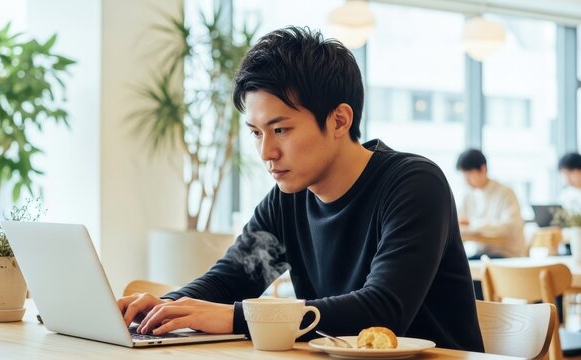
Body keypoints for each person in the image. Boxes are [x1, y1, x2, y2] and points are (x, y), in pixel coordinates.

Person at [119, 26, 483, 352]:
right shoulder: (287, 200)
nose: (266, 153)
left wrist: (234, 318)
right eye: (256, 132)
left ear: (339, 120)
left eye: (281, 130)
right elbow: (231, 279)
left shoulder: (414, 184)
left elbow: (383, 309)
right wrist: (161, 309)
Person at [456, 149, 525, 260]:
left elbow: (508, 228)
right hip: (482, 254)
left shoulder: (505, 193)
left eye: (469, 176)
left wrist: (472, 225)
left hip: (506, 255)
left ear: (483, 170)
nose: (466, 181)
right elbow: (458, 225)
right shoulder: (468, 196)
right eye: (464, 176)